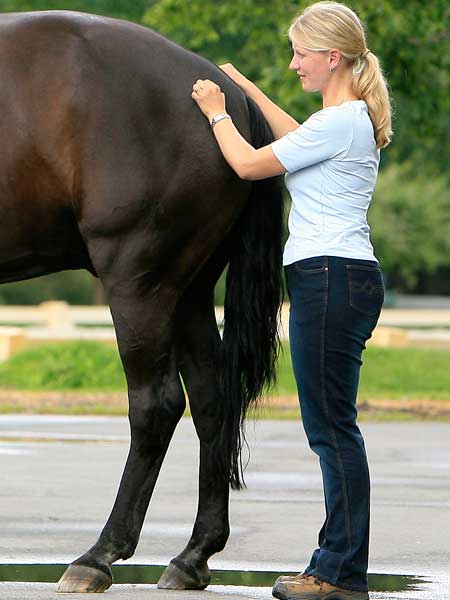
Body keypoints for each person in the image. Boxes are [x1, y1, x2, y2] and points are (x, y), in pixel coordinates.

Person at [191, 1, 392, 599]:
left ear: (332, 57)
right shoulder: (342, 121)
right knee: (332, 428)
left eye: (301, 54)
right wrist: (246, 89)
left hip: (330, 278)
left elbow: (251, 165)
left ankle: (338, 572)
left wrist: (217, 113)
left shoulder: (341, 122)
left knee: (331, 430)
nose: (293, 63)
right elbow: (294, 134)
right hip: (336, 278)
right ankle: (335, 565)